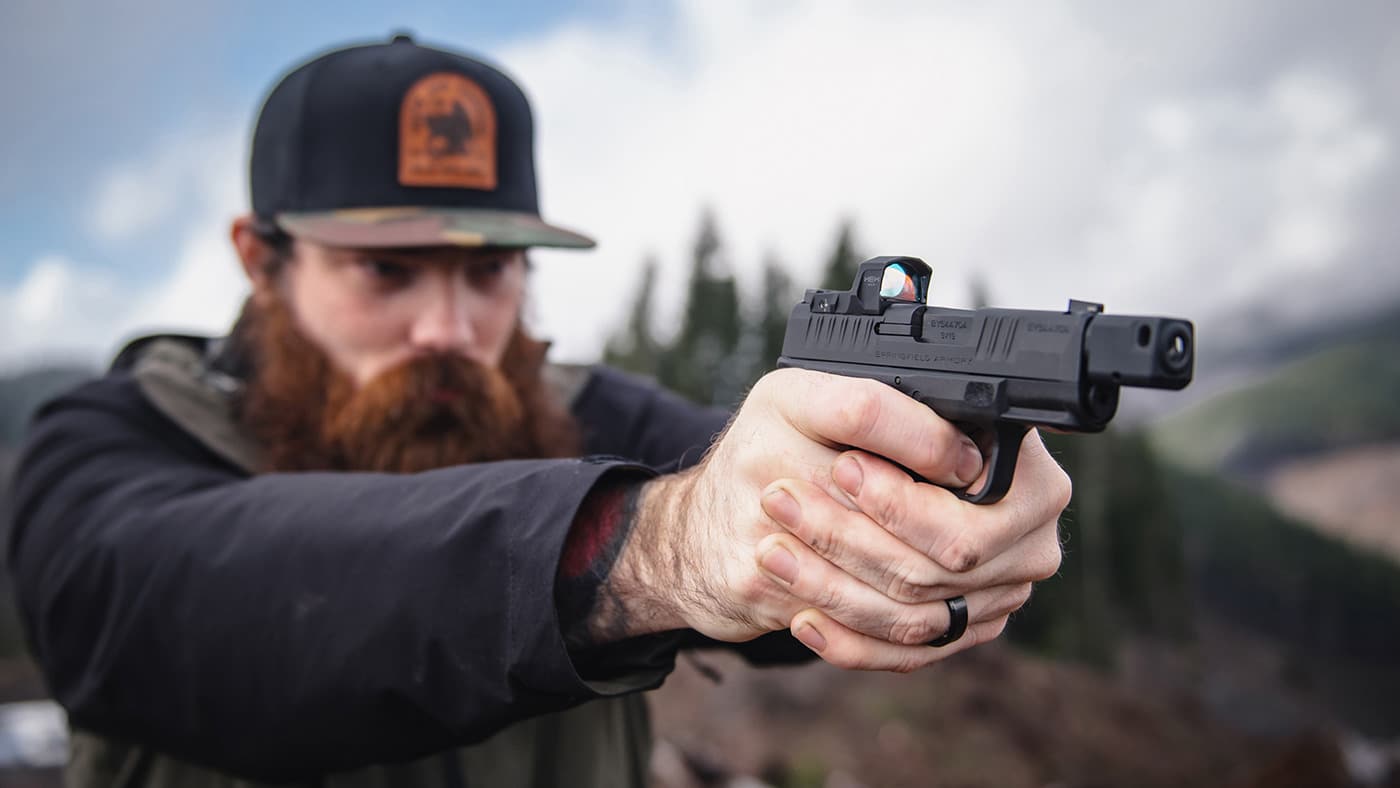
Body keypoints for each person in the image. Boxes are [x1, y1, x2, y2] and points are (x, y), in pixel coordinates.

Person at [5, 35, 1070, 787]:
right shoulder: (110, 445)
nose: (451, 327)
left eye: (492, 272)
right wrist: (657, 544)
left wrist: (898, 511)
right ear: (261, 259)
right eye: (387, 270)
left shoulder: (577, 409)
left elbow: (770, 519)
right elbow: (196, 599)